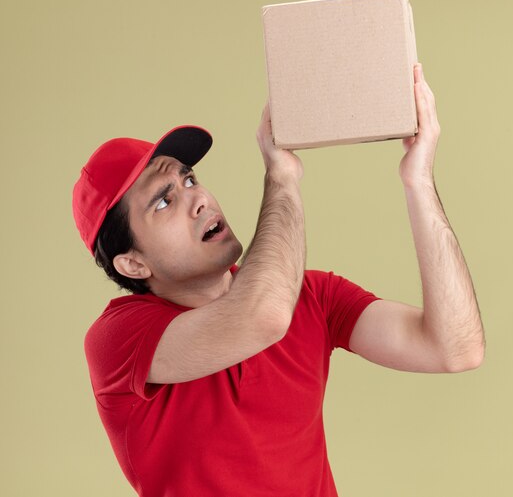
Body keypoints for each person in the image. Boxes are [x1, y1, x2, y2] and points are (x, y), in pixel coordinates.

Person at [72, 63, 485, 497]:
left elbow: (455, 347)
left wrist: (418, 179)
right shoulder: (119, 339)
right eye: (163, 201)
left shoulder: (313, 297)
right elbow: (263, 316)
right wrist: (282, 177)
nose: (197, 199)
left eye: (189, 178)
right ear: (133, 264)